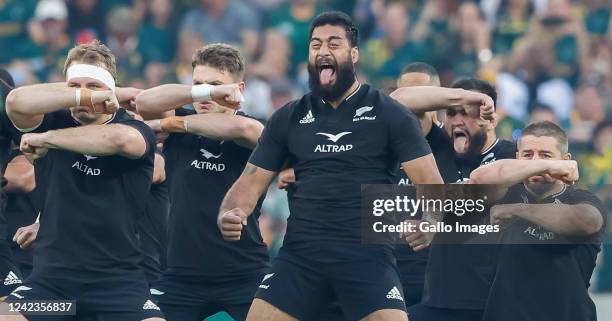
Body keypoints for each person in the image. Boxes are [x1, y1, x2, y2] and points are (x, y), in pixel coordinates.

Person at [218, 12, 443, 321]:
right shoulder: (289, 117)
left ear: (353, 54)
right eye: (315, 45)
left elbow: (431, 183)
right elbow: (250, 182)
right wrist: (231, 211)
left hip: (366, 257)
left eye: (333, 43)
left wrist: (430, 220)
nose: (323, 51)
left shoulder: (390, 114)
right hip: (300, 258)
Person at [0, 39, 166, 321]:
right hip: (53, 289)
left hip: (118, 289)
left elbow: (117, 140)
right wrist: (83, 97)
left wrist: (47, 140)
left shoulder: (134, 128)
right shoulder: (54, 119)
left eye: (93, 86)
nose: (84, 95)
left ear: (110, 90)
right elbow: (15, 101)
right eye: (74, 87)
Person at [135, 43, 268, 321]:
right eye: (198, 84)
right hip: (180, 275)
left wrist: (169, 126)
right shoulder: (183, 117)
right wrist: (204, 93)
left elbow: (246, 130)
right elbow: (144, 102)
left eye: (216, 85)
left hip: (245, 272)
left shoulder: (252, 124)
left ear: (238, 90)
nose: (206, 92)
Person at [390, 77, 515, 321]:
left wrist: (435, 216)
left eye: (468, 114)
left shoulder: (510, 155)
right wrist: (464, 97)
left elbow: (486, 191)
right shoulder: (438, 147)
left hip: (493, 302)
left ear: (491, 120)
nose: (458, 120)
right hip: (440, 300)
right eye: (452, 113)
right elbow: (398, 102)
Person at [469, 120, 604, 321]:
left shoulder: (581, 199)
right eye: (527, 155)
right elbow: (478, 180)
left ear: (565, 160)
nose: (534, 162)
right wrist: (545, 165)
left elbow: (585, 221)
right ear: (516, 159)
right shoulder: (504, 193)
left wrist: (517, 210)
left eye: (545, 155)